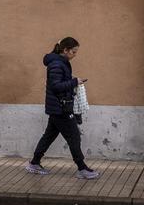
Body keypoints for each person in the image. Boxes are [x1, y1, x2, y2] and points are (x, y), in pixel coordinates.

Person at [25, 37, 99, 179]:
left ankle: (34, 163)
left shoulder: (60, 63)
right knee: (74, 137)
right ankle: (82, 169)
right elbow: (55, 86)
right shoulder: (57, 64)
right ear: (65, 50)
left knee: (48, 136)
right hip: (60, 108)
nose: (75, 55)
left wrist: (72, 80)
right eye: (73, 52)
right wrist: (73, 82)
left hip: (57, 108)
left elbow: (59, 82)